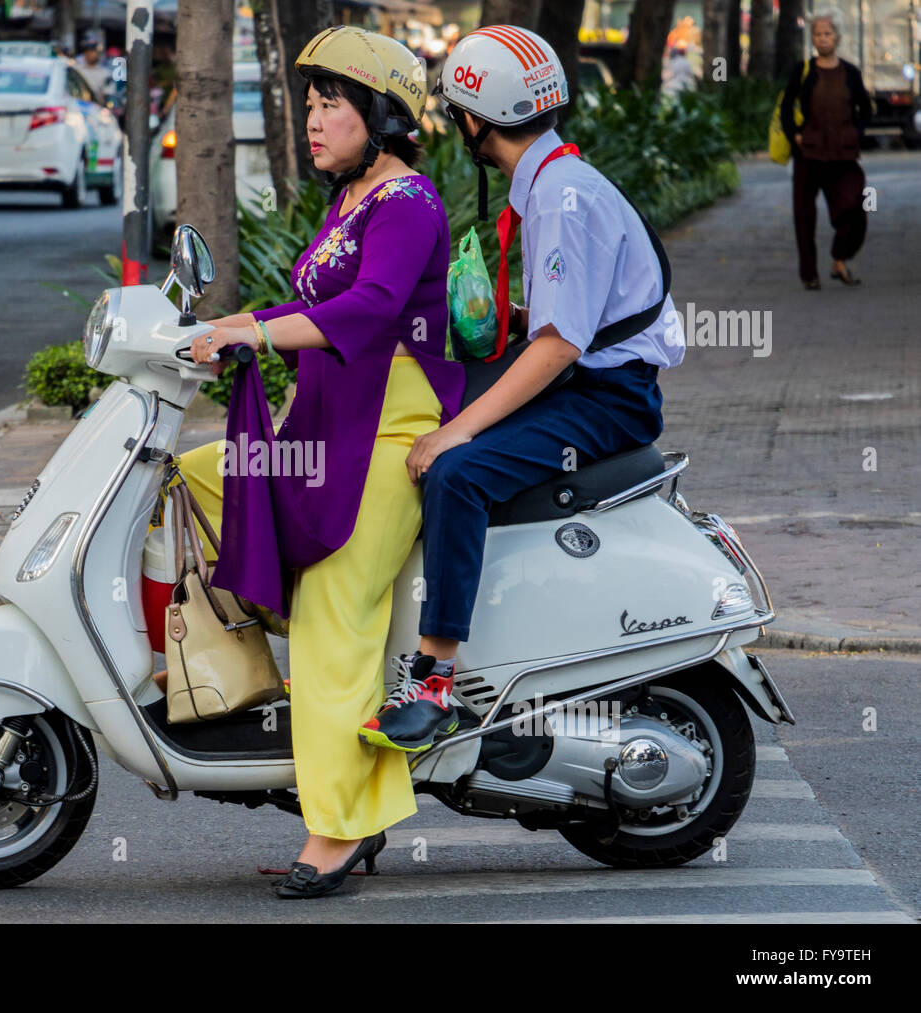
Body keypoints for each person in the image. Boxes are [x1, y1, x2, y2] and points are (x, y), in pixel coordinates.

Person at [173, 26, 465, 898]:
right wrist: (224, 327)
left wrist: (253, 329)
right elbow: (313, 302)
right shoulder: (348, 200)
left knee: (335, 605)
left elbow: (372, 308)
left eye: (330, 103)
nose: (313, 118)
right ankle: (230, 669)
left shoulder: (407, 201)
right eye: (309, 103)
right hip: (332, 416)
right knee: (198, 475)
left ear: (379, 115)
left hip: (390, 429)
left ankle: (337, 826)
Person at [366, 25, 683, 752]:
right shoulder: (549, 180)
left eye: (457, 116)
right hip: (590, 380)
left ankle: (437, 681)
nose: (457, 128)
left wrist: (458, 431)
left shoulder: (560, 197)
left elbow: (560, 345)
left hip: (608, 398)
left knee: (456, 472)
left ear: (477, 120)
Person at [781, 8, 872, 289]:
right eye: (818, 34)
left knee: (856, 205)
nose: (822, 39)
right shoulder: (803, 71)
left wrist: (855, 133)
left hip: (843, 155)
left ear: (838, 37)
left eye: (827, 33)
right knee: (804, 216)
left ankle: (839, 258)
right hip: (808, 154)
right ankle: (809, 275)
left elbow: (866, 109)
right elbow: (786, 107)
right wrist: (794, 135)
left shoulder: (851, 73)